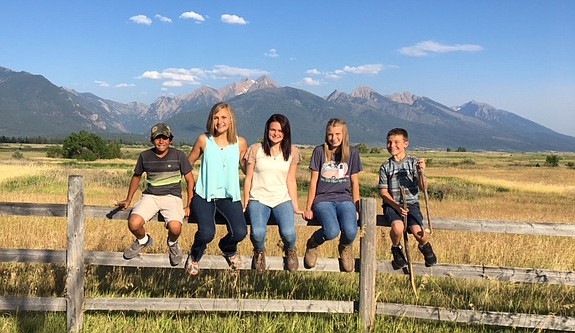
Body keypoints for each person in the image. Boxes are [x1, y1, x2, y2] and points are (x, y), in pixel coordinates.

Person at [185, 102, 248, 276]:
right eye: (216, 117)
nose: (220, 121)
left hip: (229, 196)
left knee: (240, 232)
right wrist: (190, 191)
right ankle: (194, 256)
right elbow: (187, 164)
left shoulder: (240, 143)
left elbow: (246, 168)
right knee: (206, 233)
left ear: (231, 119)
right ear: (211, 120)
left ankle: (228, 248)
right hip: (204, 195)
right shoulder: (204, 140)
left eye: (224, 117)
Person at [119, 123, 194, 267]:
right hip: (150, 196)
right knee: (133, 223)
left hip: (172, 197)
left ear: (170, 140)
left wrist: (189, 205)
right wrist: (128, 199)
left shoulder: (179, 155)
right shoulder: (145, 156)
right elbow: (136, 177)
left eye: (164, 138)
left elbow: (190, 180)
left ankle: (172, 243)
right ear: (152, 140)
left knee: (175, 227)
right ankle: (143, 240)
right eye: (157, 138)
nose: (161, 141)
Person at [243, 114, 303, 273]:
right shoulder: (256, 150)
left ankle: (290, 250)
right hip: (258, 198)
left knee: (289, 233)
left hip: (281, 198)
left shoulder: (292, 152)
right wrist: (246, 201)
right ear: (267, 130)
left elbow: (291, 180)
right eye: (273, 129)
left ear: (286, 133)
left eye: (280, 130)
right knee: (258, 232)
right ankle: (259, 252)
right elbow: (248, 178)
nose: (276, 134)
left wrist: (295, 205)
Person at [303, 118, 362, 272]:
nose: (333, 138)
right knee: (331, 231)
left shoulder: (353, 153)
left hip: (345, 199)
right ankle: (313, 243)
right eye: (330, 134)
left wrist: (357, 208)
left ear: (344, 134)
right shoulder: (319, 151)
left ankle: (345, 247)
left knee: (351, 231)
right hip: (323, 199)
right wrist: (308, 207)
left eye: (337, 134)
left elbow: (355, 183)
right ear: (326, 135)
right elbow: (313, 182)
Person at [378, 128, 437, 268]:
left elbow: (423, 188)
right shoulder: (386, 166)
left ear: (405, 144)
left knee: (420, 233)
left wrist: (422, 172)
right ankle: (396, 248)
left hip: (412, 204)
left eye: (396, 142)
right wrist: (397, 206)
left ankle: (424, 246)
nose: (392, 146)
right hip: (392, 205)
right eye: (389, 142)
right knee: (398, 227)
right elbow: (384, 192)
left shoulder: (413, 163)